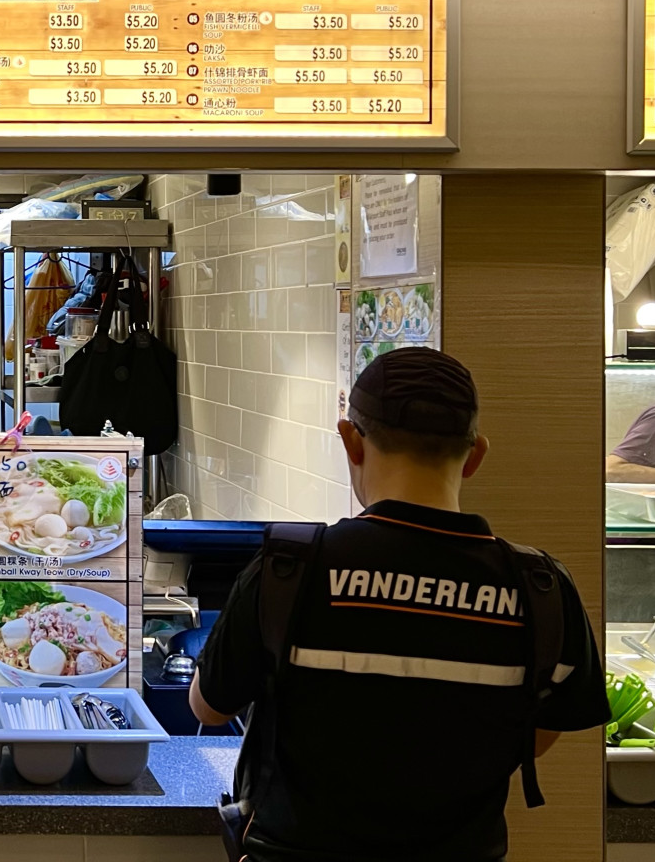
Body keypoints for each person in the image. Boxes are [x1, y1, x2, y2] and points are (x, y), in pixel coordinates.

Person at [191, 347, 607, 862]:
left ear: (350, 440)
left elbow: (208, 706)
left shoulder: (291, 569)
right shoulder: (542, 588)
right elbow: (533, 739)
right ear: (475, 455)